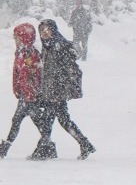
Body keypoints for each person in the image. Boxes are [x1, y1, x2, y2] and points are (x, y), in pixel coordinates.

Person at [29, 19, 95, 160]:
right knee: (64, 121)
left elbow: (65, 69)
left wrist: (58, 89)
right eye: (42, 31)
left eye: (47, 30)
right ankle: (84, 143)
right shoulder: (47, 46)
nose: (45, 33)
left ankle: (44, 149)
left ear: (54, 30)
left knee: (48, 121)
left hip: (57, 92)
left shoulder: (59, 45)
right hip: (51, 90)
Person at [0, 24, 51, 159]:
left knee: (28, 121)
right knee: (29, 121)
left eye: (17, 37)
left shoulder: (32, 54)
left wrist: (30, 95)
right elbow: (17, 74)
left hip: (31, 96)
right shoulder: (20, 53)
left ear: (25, 38)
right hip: (25, 95)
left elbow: (34, 77)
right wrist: (17, 89)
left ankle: (5, 148)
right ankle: (48, 145)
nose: (15, 40)